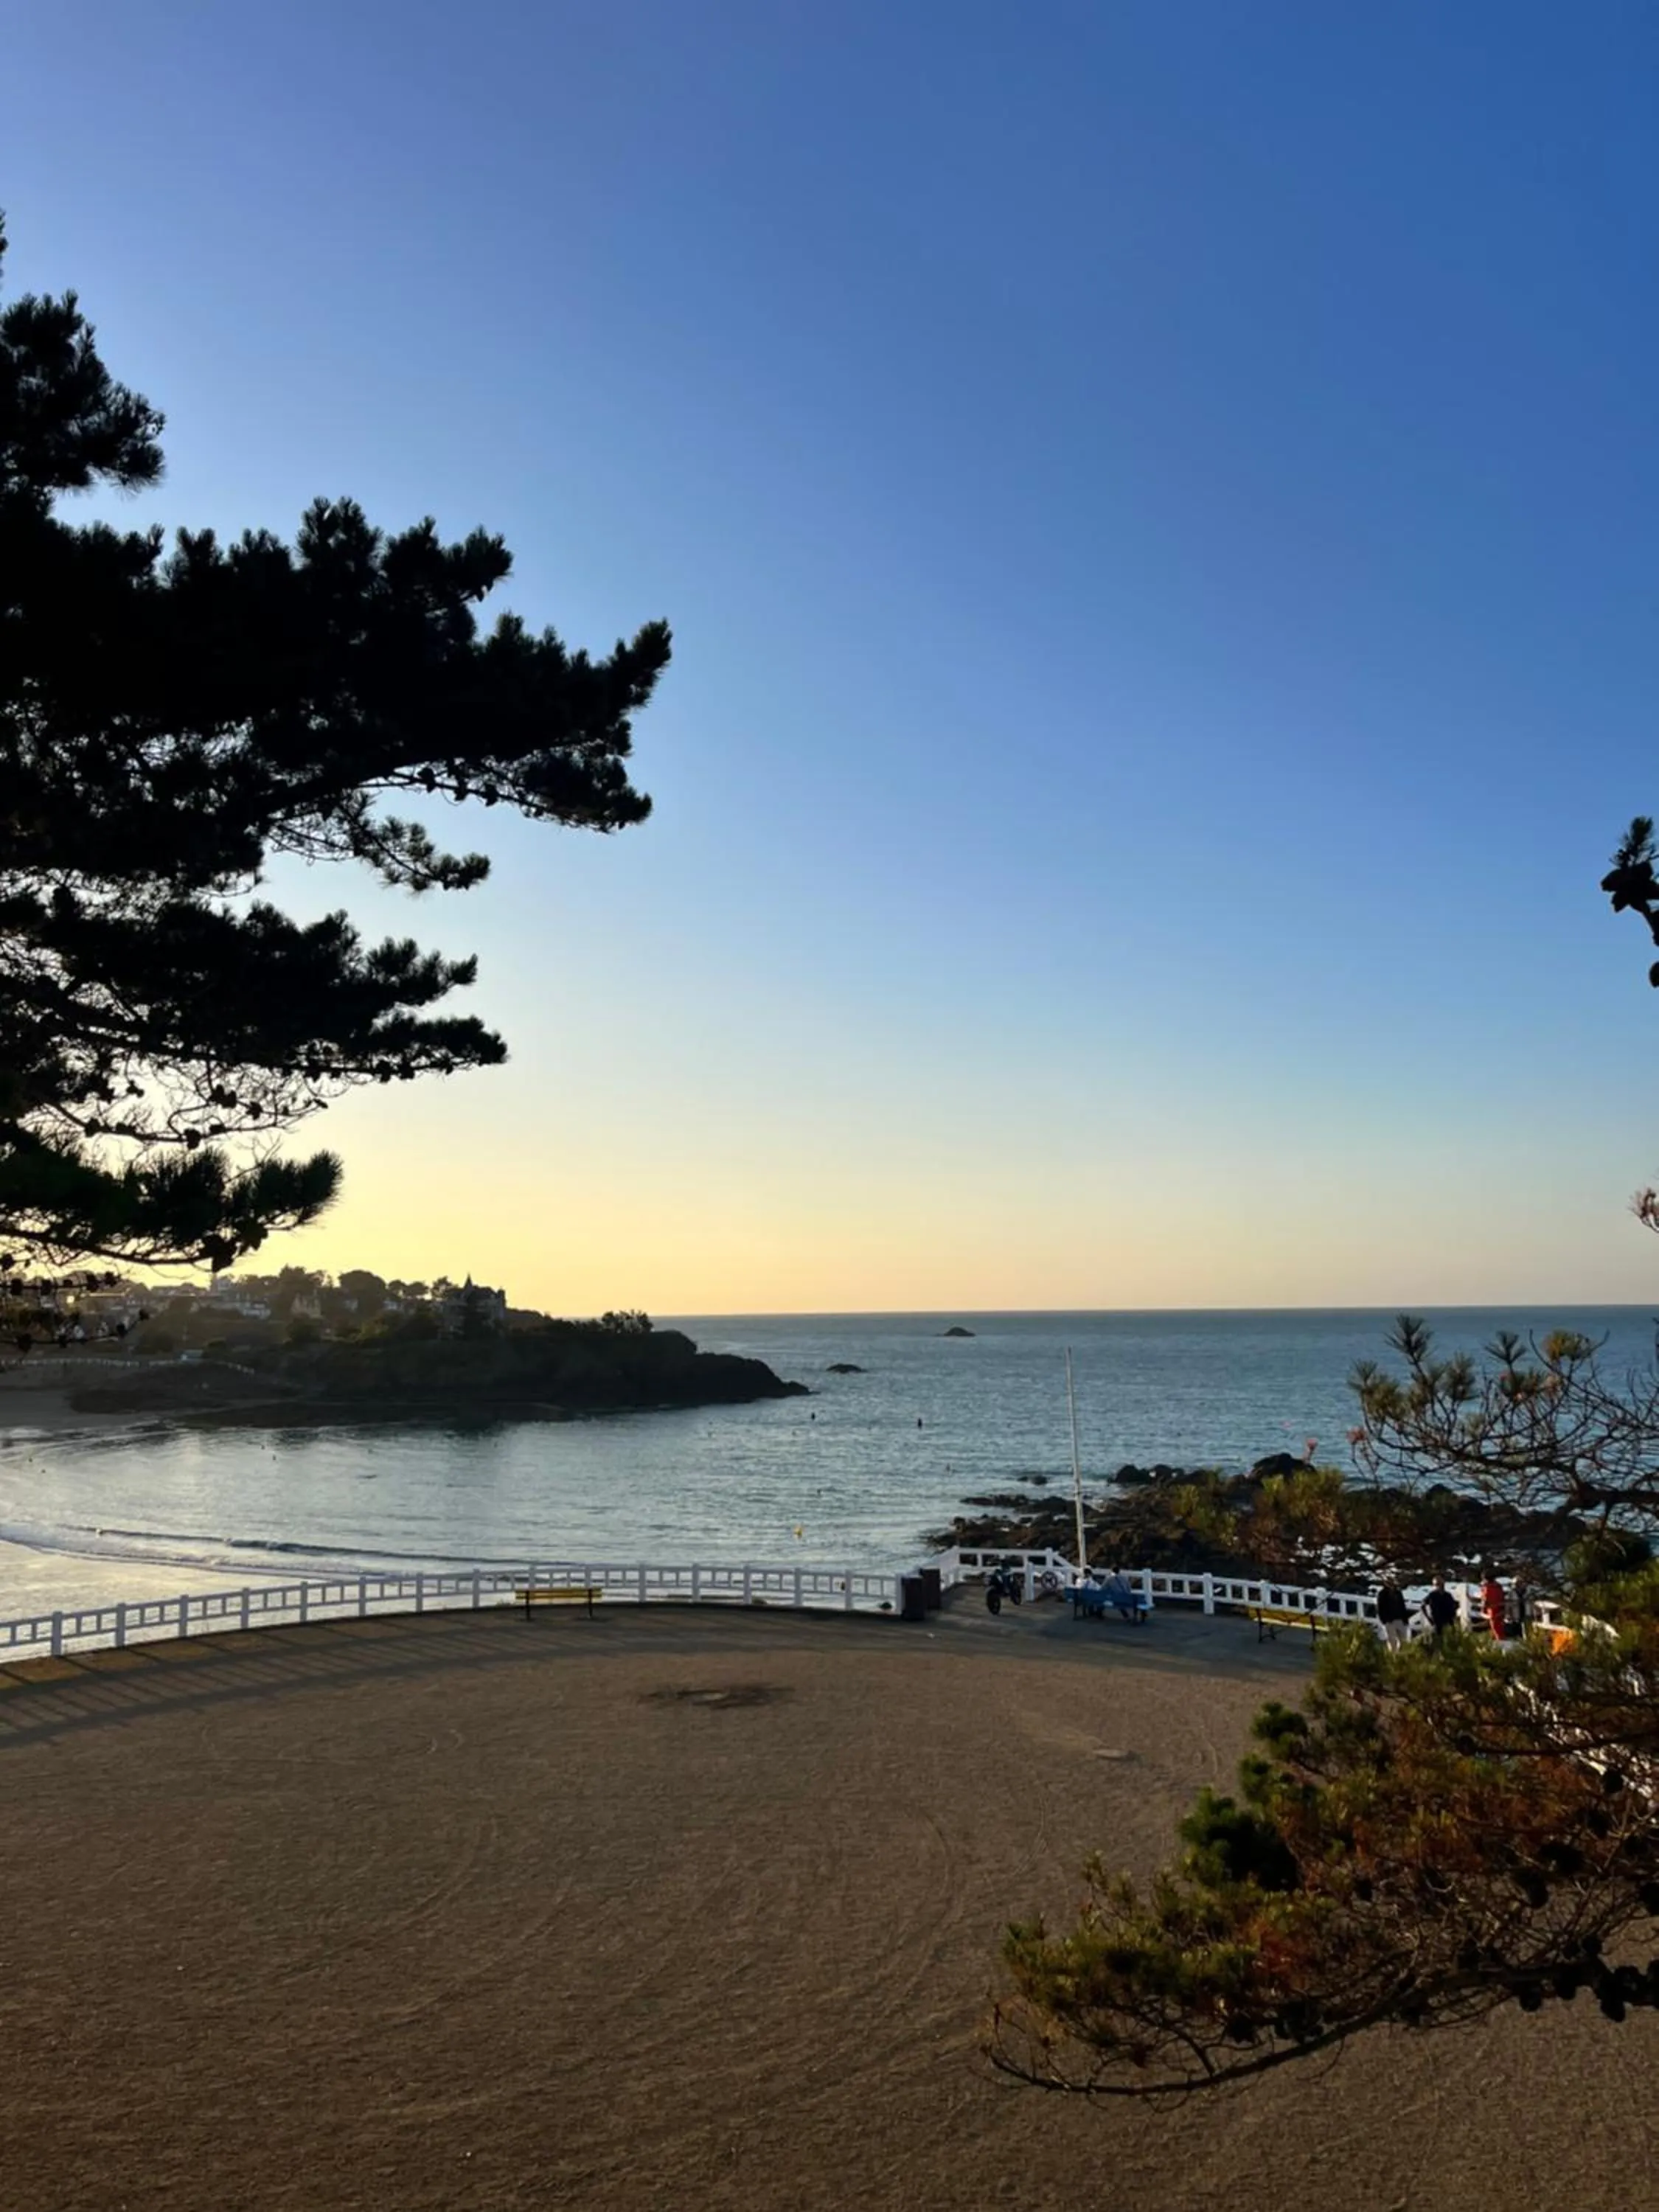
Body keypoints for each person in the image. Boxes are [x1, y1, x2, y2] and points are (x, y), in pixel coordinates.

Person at [1422, 1576, 1460, 1644]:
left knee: (1451, 1641)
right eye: (1436, 1585)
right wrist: (1429, 1618)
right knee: (1438, 1641)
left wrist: (1454, 1615)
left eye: (1439, 1584)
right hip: (1437, 1622)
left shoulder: (1448, 1595)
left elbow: (1455, 1605)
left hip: (1448, 1621)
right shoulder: (1432, 1595)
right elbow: (1423, 1605)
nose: (1438, 1586)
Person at [1375, 1577, 1409, 1649]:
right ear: (1385, 1583)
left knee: (1404, 1641)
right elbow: (1380, 1608)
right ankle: (1393, 1658)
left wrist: (1405, 1619)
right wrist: (1384, 1620)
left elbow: (1402, 1606)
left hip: (1400, 1619)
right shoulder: (1382, 1593)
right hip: (1389, 1620)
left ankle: (1402, 1656)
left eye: (1391, 1581)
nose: (1391, 1583)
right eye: (1388, 1582)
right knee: (1392, 1641)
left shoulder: (1398, 1592)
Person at [1480, 1568, 1506, 1643]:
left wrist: (1483, 1609)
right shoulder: (1498, 1586)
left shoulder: (1486, 1587)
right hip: (1500, 1609)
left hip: (1492, 1610)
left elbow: (1485, 1599)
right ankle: (1500, 1640)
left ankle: (1500, 1643)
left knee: (1495, 1627)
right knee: (1500, 1627)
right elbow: (1502, 1597)